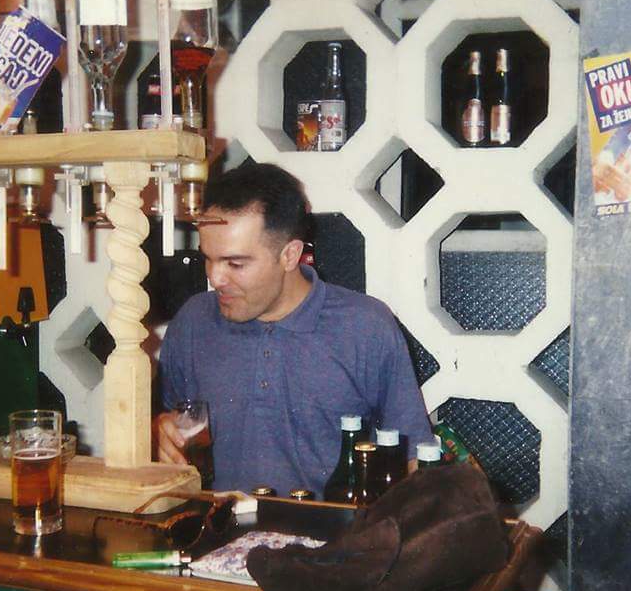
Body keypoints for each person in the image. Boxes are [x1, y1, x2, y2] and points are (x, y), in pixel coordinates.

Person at [155, 163, 431, 497]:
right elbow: (163, 421)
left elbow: (413, 459)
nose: (215, 278)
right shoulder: (193, 321)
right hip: (215, 525)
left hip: (334, 528)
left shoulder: (365, 326)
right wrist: (159, 430)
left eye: (235, 263)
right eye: (208, 258)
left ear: (290, 255)